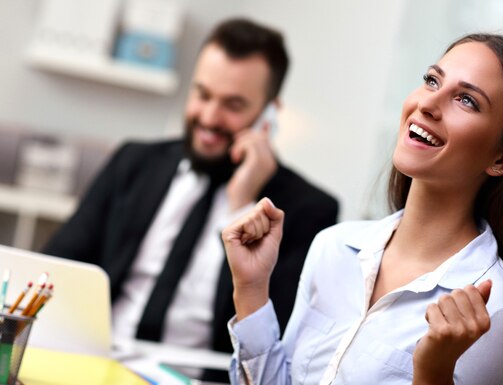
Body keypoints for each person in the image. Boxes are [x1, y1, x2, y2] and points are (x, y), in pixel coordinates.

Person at [222, 33, 503, 385]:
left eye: (466, 100)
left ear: (502, 157)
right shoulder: (333, 248)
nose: (428, 104)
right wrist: (250, 289)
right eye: (432, 81)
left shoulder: (498, 309)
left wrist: (432, 373)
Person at [43, 18, 339, 354]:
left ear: (269, 114)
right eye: (203, 94)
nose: (210, 118)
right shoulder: (134, 162)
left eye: (233, 105)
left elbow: (271, 346)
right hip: (98, 358)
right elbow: (57, 268)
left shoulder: (308, 210)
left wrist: (242, 205)